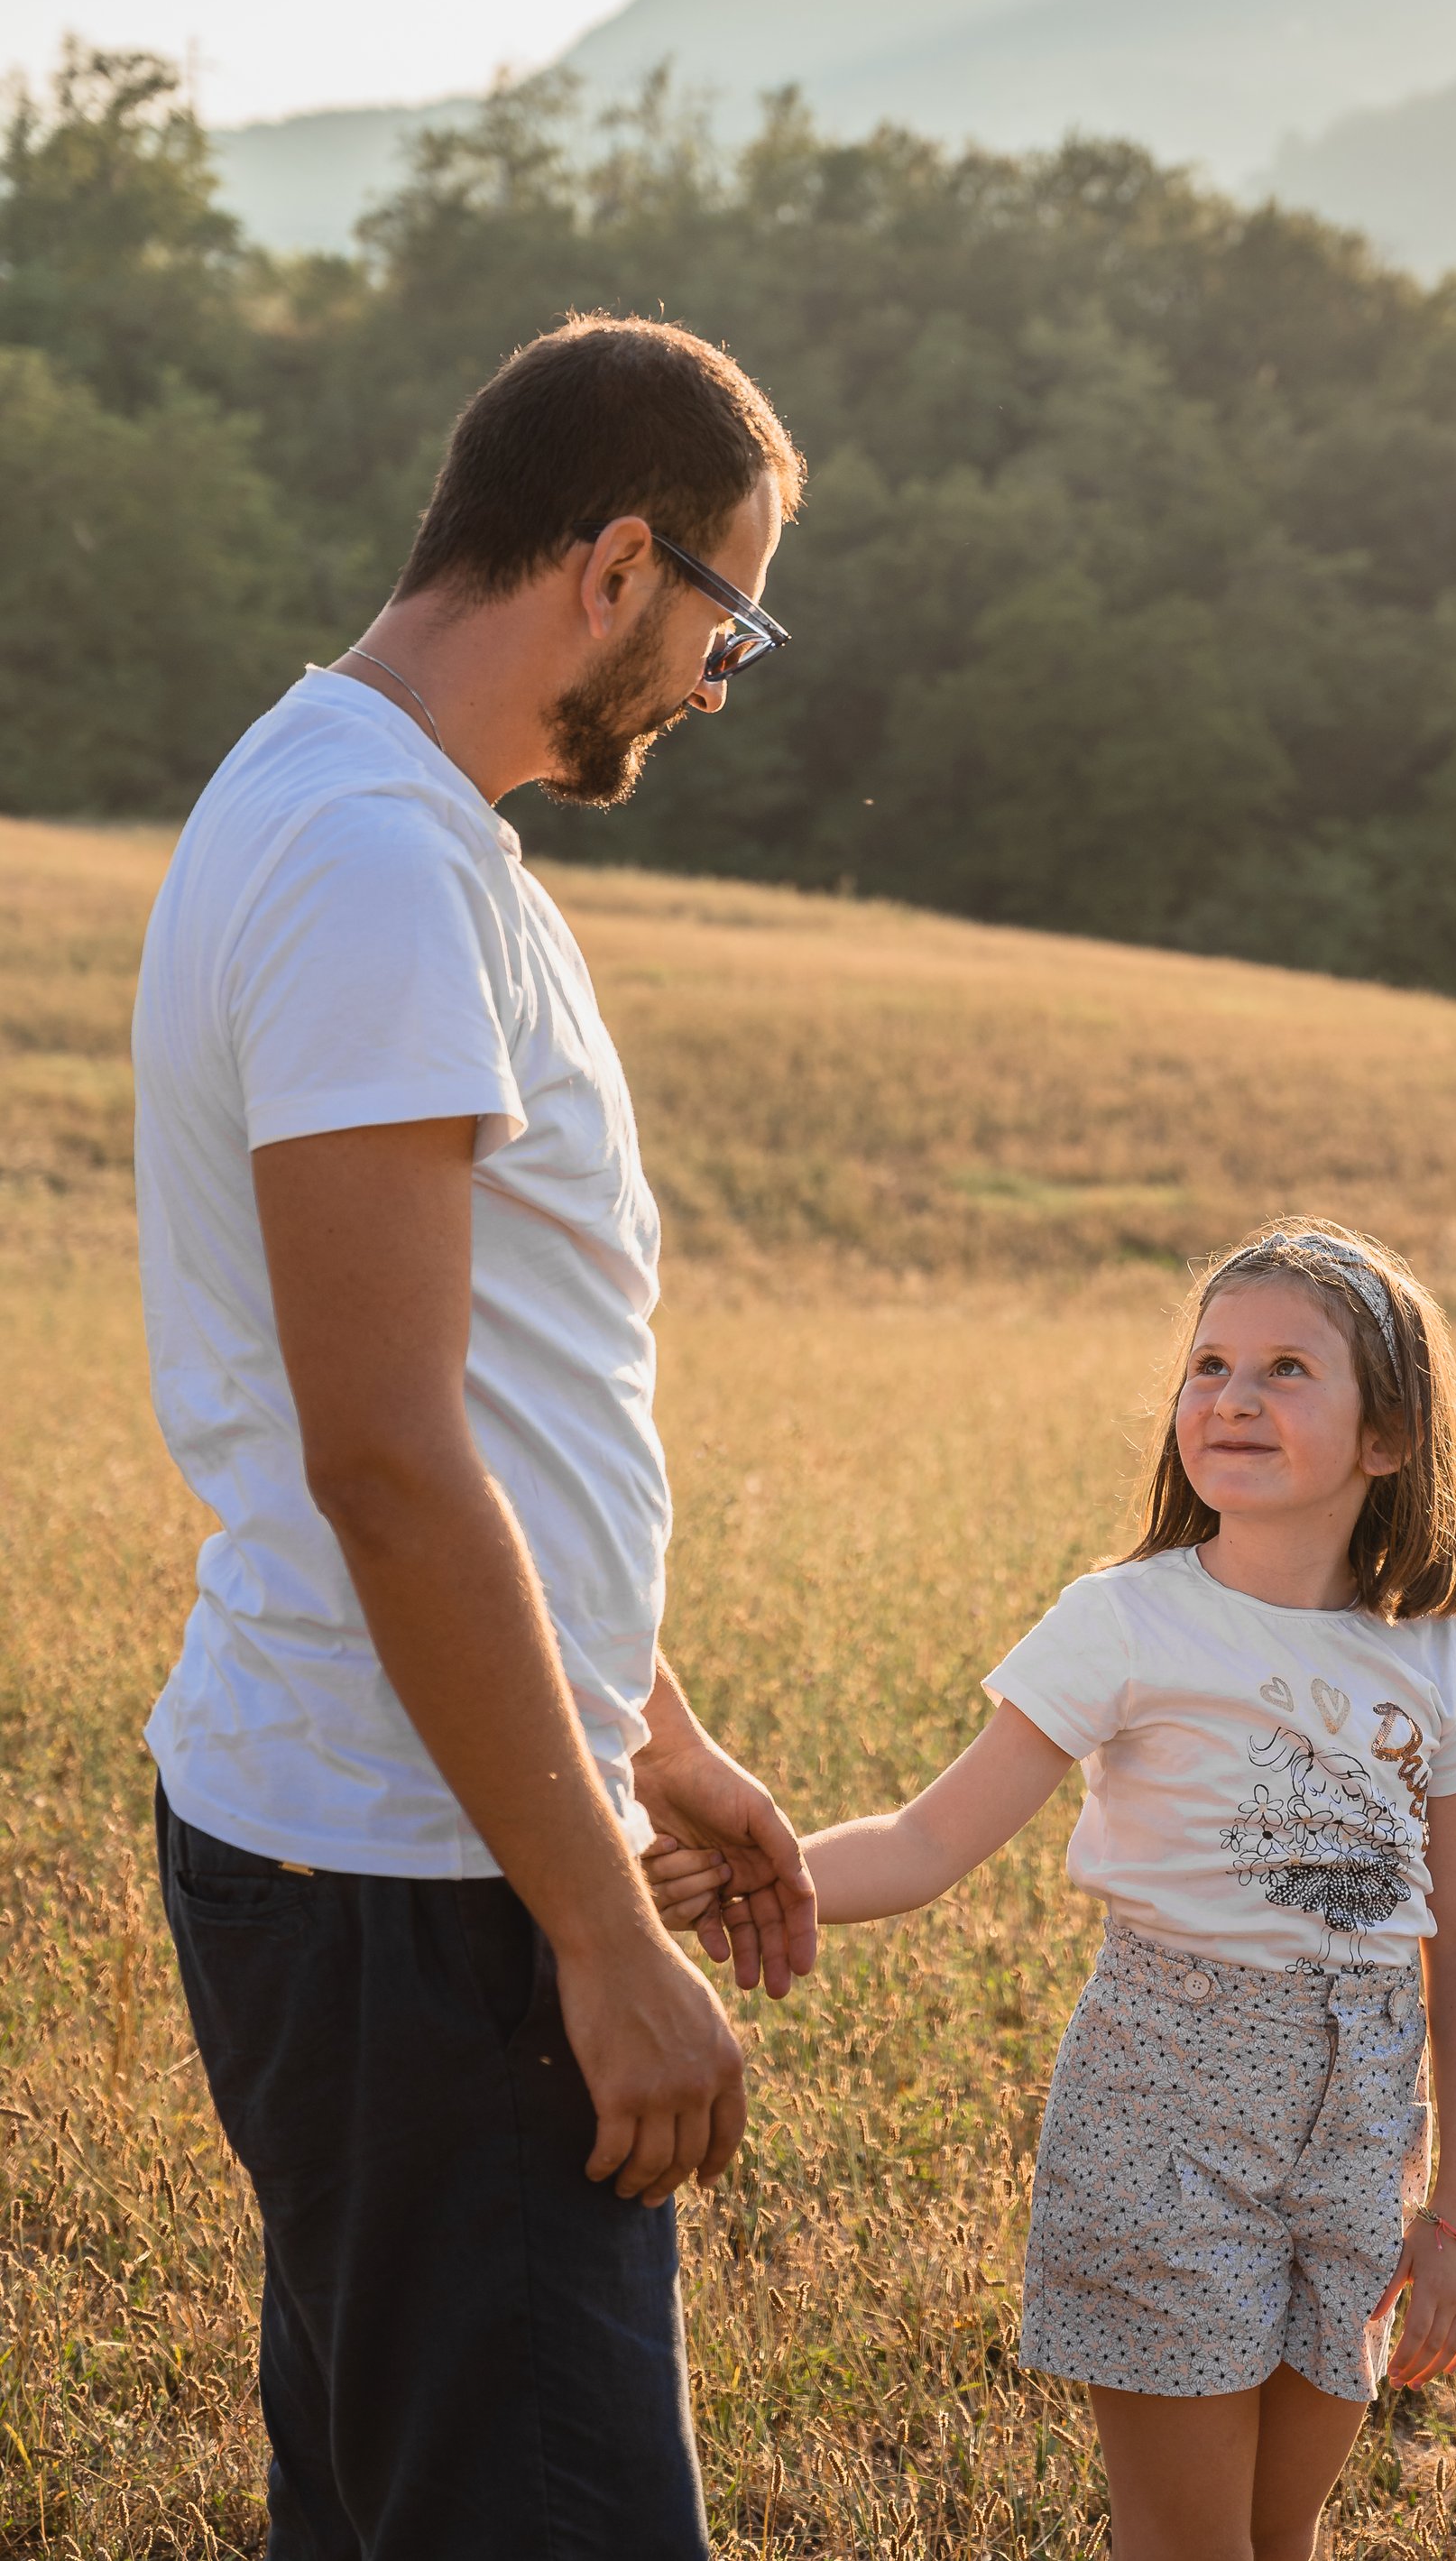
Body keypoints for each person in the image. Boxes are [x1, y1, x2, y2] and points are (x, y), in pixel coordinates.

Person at [134, 311, 821, 2561]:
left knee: (385, 2505)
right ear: (617, 564)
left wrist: (651, 1732)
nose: (716, 681)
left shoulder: (385, 825)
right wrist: (601, 1936)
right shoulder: (372, 860)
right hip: (418, 1879)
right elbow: (386, 1457)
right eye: (726, 620)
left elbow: (496, 1395)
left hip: (421, 1835)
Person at [650, 1220, 1456, 2561]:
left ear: (1390, 1436)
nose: (1232, 1396)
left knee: (1279, 2538)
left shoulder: (1439, 1655)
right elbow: (926, 1840)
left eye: (1287, 1368)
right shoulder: (1125, 1621)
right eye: (1209, 1364)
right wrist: (757, 1872)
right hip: (1168, 2110)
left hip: (1360, 2129)